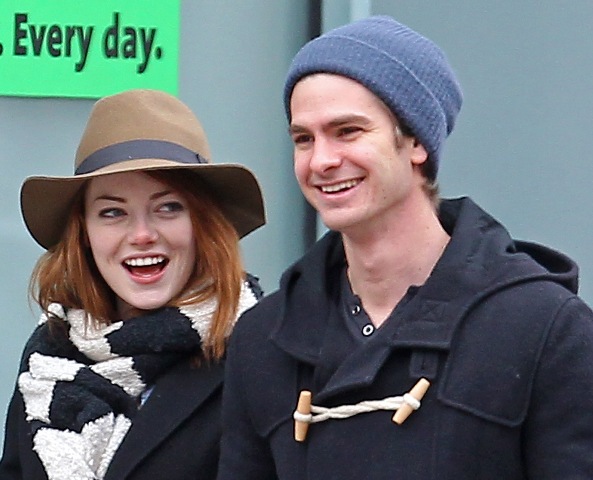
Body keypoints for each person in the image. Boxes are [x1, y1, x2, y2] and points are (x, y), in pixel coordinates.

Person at [218, 15, 593, 479]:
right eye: (303, 139)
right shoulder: (264, 339)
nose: (321, 161)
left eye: (347, 131)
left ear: (416, 141)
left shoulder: (544, 328)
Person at [0, 89, 265, 480]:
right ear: (84, 233)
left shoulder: (260, 350)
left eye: (168, 207)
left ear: (202, 224)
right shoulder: (51, 354)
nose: (142, 235)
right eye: (112, 212)